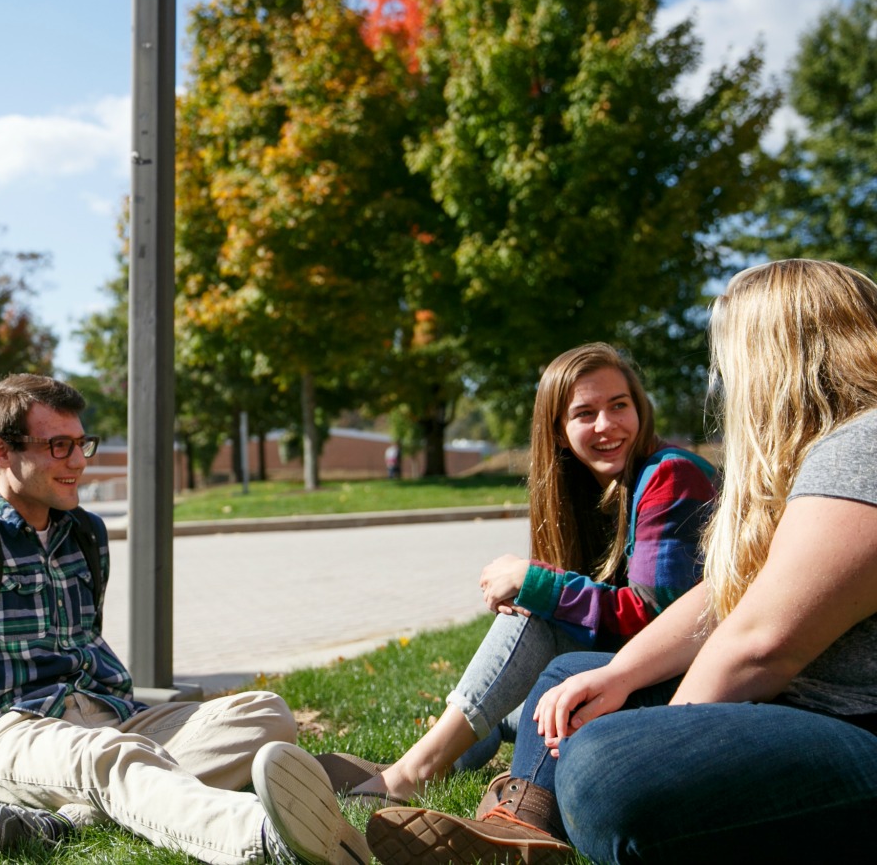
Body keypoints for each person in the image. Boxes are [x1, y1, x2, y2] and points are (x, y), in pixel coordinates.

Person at [365, 259, 877, 865]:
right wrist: (622, 676)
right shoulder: (825, 451)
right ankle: (515, 826)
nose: (724, 383)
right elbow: (728, 591)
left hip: (851, 724)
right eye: (583, 414)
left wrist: (666, 733)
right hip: (791, 704)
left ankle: (459, 772)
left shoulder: (862, 446)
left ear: (784, 354)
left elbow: (763, 641)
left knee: (607, 770)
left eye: (729, 361)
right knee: (572, 680)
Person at [0, 374, 368, 865]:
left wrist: (129, 716)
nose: (79, 462)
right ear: (2, 452)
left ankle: (65, 824)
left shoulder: (86, 534)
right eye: (60, 446)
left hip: (109, 717)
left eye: (81, 444)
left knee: (262, 712)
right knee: (109, 760)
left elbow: (87, 643)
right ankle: (265, 838)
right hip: (5, 730)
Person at [322, 343, 715, 812]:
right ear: (559, 430)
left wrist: (536, 582)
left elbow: (657, 616)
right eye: (585, 413)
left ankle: (415, 771)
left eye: (619, 406)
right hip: (637, 668)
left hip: (692, 676)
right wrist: (542, 588)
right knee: (521, 659)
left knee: (538, 617)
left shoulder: (671, 475)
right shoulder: (596, 487)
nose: (606, 425)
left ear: (640, 408)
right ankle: (435, 758)